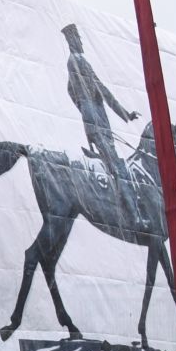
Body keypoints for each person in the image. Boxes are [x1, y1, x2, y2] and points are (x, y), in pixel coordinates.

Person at [62, 22, 144, 236]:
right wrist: (121, 113)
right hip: (98, 124)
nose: (81, 43)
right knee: (118, 167)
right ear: (73, 41)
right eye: (78, 39)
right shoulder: (77, 61)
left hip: (96, 123)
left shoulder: (76, 63)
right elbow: (97, 89)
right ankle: (133, 214)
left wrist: (85, 109)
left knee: (114, 164)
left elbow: (75, 90)